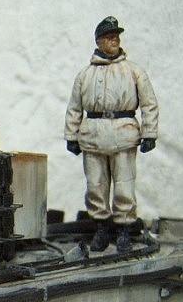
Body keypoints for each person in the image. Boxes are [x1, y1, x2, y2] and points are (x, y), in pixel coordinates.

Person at [64, 16, 159, 253]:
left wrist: (149, 133)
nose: (114, 40)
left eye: (116, 36)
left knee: (124, 185)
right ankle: (101, 228)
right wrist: (71, 136)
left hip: (123, 135)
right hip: (93, 136)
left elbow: (149, 103)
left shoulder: (134, 71)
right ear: (98, 41)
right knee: (95, 186)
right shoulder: (85, 75)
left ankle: (124, 229)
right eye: (109, 36)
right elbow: (74, 108)